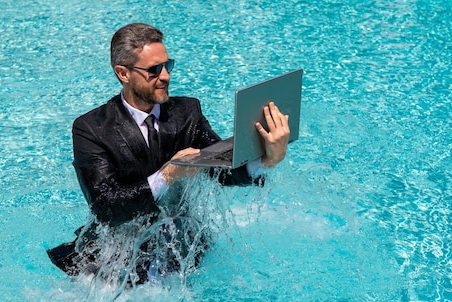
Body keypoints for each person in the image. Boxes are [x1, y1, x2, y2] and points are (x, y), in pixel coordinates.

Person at [47, 23, 290, 284]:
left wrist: (267, 159)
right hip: (114, 255)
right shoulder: (91, 129)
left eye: (168, 65)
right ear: (123, 73)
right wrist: (168, 174)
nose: (165, 76)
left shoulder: (188, 113)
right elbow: (106, 207)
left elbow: (221, 168)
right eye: (153, 70)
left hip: (176, 246)